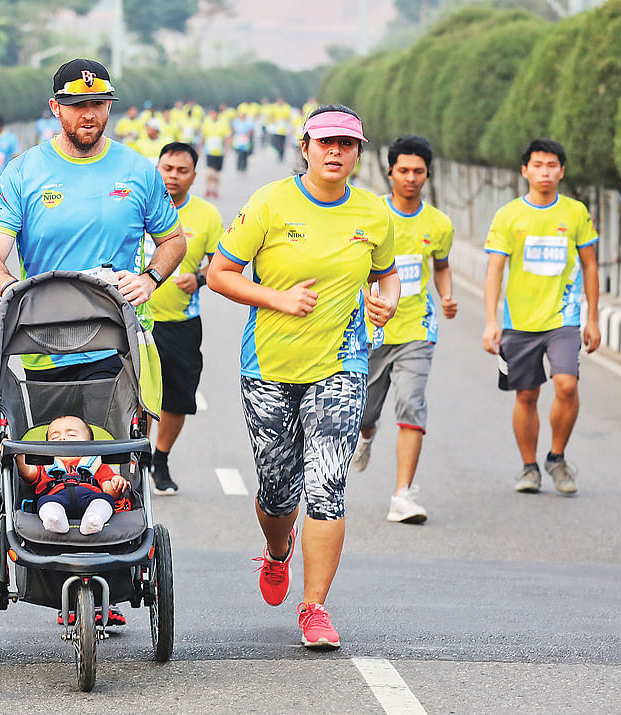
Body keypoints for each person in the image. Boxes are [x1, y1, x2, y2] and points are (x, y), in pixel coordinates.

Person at [0, 57, 186, 628]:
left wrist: (151, 277)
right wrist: (12, 291)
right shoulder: (24, 171)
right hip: (41, 354)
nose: (88, 114)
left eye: (97, 104)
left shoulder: (138, 171)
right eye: (77, 105)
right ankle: (52, 574)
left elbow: (172, 241)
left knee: (113, 470)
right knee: (44, 465)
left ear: (108, 107)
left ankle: (108, 583)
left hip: (115, 357)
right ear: (56, 109)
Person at [207, 105, 399, 649]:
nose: (336, 152)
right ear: (306, 148)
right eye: (326, 142)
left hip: (340, 364)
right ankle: (276, 551)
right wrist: (277, 298)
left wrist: (385, 303)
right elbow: (220, 275)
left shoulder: (373, 214)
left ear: (360, 153)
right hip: (267, 367)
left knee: (327, 487)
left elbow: (388, 277)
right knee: (277, 490)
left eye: (347, 144)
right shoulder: (269, 203)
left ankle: (314, 608)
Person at [483, 138, 600, 495]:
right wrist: (492, 321)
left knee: (567, 384)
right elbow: (494, 271)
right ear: (525, 170)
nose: (544, 172)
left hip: (563, 317)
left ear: (562, 171)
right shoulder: (508, 215)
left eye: (552, 165)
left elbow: (591, 265)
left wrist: (592, 318)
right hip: (519, 321)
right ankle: (529, 467)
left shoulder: (576, 213)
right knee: (527, 395)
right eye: (537, 165)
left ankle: (557, 457)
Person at [351, 135, 457, 524]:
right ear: (390, 172)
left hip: (417, 328)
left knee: (412, 402)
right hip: (370, 331)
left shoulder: (439, 223)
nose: (411, 178)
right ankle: (365, 434)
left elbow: (442, 266)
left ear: (427, 175)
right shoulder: (368, 212)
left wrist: (445, 296)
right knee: (364, 412)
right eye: (404, 171)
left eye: (419, 172)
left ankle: (403, 495)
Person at [147, 142, 224, 495]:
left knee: (176, 400)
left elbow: (223, 264)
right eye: (167, 168)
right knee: (134, 396)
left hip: (181, 322)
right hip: (133, 320)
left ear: (194, 176)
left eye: (181, 170)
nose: (173, 176)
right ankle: (133, 460)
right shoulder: (137, 207)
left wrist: (201, 278)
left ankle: (159, 459)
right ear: (157, 169)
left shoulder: (207, 216)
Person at [15, 416, 130, 536]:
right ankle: (54, 520)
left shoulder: (96, 463)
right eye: (54, 437)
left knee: (105, 501)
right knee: (45, 503)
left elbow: (108, 490)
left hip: (90, 498)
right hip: (55, 497)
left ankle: (94, 520)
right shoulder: (45, 463)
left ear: (90, 445)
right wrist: (18, 454)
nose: (62, 438)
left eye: (72, 435)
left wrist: (116, 484)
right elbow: (27, 473)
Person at [200, 108, 230, 198]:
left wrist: (227, 149)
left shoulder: (223, 123)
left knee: (217, 174)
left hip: (219, 152)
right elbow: (203, 136)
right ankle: (208, 189)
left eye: (215, 114)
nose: (213, 115)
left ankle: (215, 190)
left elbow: (227, 137)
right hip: (209, 151)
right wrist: (200, 148)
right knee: (209, 172)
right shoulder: (206, 122)